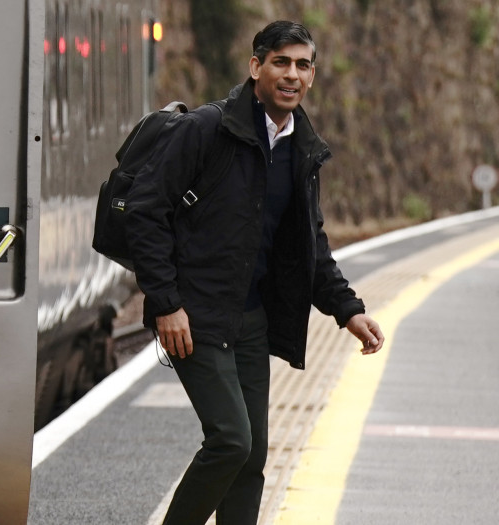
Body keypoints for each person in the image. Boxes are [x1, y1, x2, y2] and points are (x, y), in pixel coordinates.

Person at [123, 20, 386, 524]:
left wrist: (347, 310)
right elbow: (144, 210)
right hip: (195, 318)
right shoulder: (207, 129)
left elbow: (309, 245)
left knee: (252, 458)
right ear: (256, 67)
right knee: (230, 441)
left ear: (312, 76)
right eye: (280, 62)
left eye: (303, 65)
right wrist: (166, 303)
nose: (292, 74)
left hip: (250, 322)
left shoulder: (302, 149)